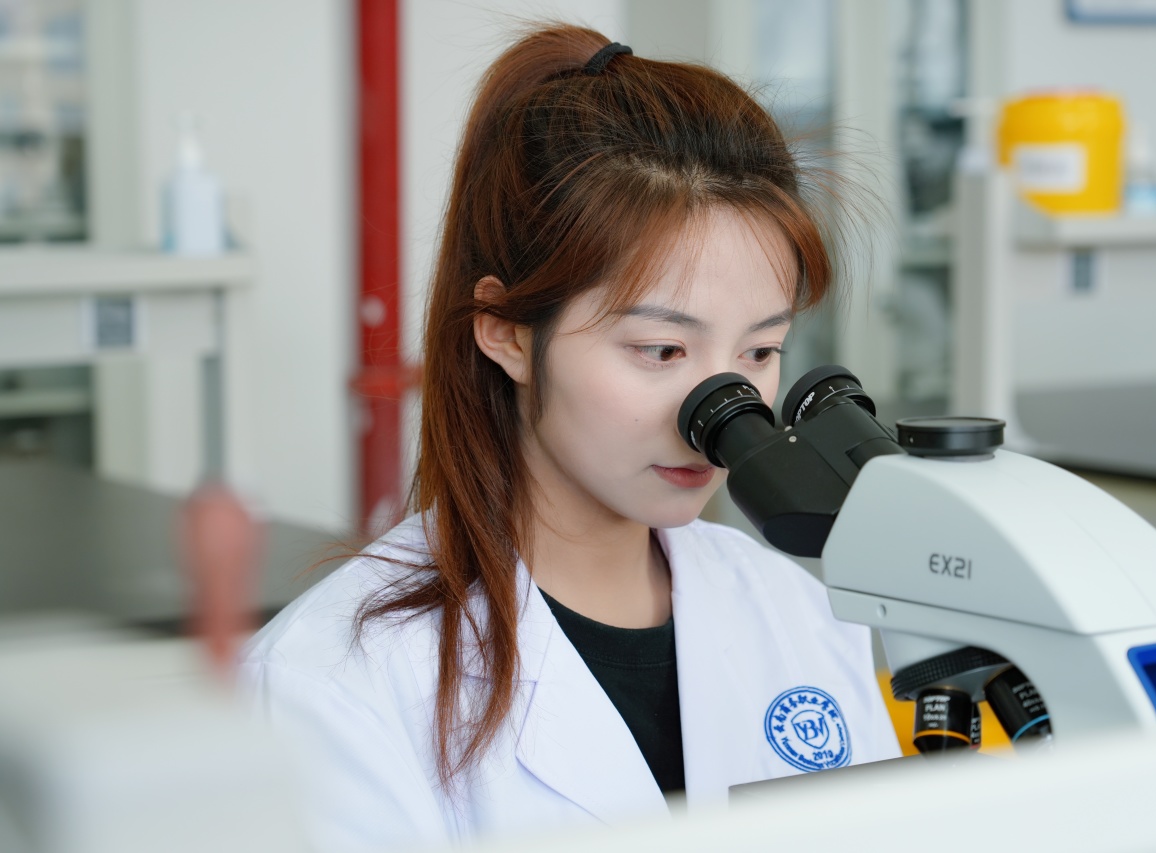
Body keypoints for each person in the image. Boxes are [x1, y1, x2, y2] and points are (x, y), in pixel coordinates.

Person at [240, 23, 900, 851]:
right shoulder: (332, 686)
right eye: (661, 350)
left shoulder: (799, 614)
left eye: (760, 352)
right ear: (506, 331)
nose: (721, 411)